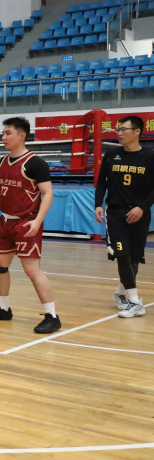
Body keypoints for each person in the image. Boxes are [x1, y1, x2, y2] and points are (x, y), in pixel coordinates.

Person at [0, 117, 61, 334]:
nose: (3, 137)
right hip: (5, 221)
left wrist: (37, 221)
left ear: (22, 136)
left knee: (31, 269)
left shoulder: (35, 162)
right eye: (3, 133)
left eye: (8, 133)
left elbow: (48, 194)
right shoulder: (4, 160)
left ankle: (52, 316)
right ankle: (3, 309)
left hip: (26, 221)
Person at [94, 115, 154, 319]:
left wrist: (142, 208)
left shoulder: (150, 157)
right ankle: (134, 301)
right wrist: (98, 204)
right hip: (115, 213)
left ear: (137, 132)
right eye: (118, 130)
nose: (119, 133)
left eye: (123, 129)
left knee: (134, 257)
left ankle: (121, 292)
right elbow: (102, 181)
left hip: (139, 214)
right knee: (121, 253)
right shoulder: (111, 155)